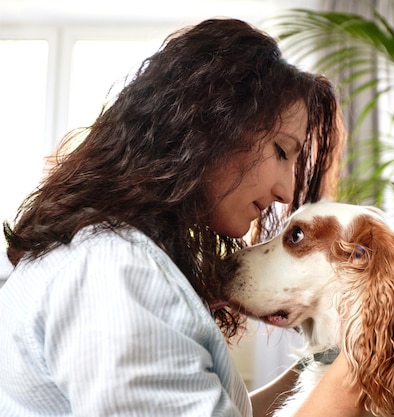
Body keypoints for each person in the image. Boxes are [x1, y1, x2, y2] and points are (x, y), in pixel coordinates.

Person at [0, 18, 365, 417]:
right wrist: (366, 358)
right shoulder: (116, 271)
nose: (288, 191)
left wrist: (324, 362)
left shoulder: (111, 252)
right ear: (213, 126)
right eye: (281, 151)